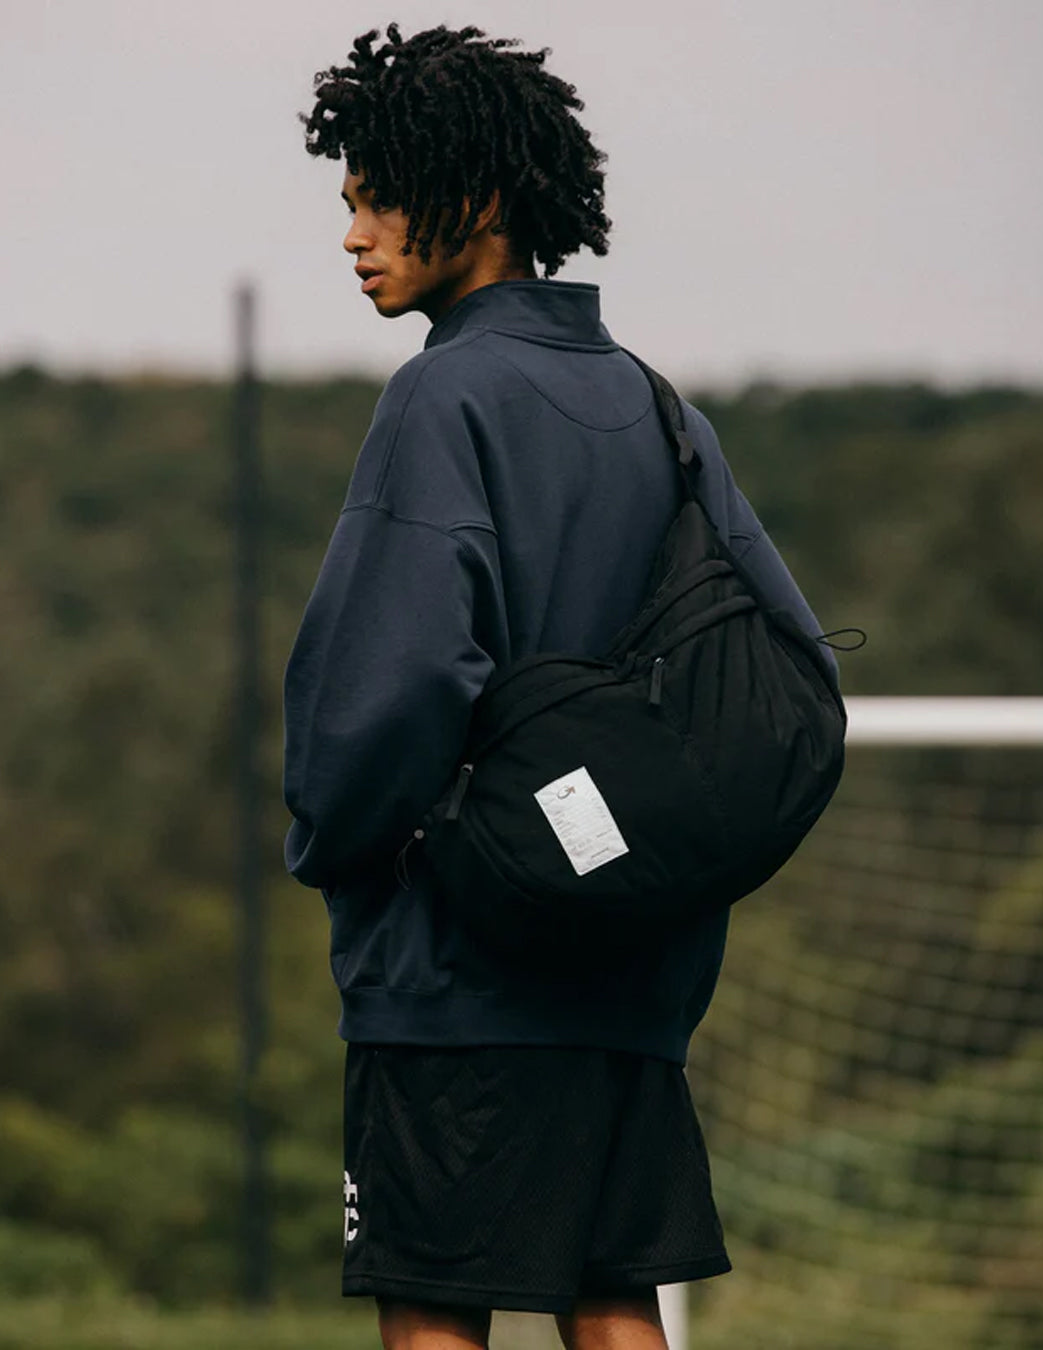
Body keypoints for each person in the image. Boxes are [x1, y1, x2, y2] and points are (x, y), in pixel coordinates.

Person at [283, 22, 836, 1350]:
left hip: (455, 968)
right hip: (631, 968)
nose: (353, 234)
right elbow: (793, 666)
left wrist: (338, 839)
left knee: (433, 1302)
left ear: (470, 202)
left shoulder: (443, 400)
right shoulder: (659, 410)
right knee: (612, 1297)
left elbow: (396, 679)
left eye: (376, 198)